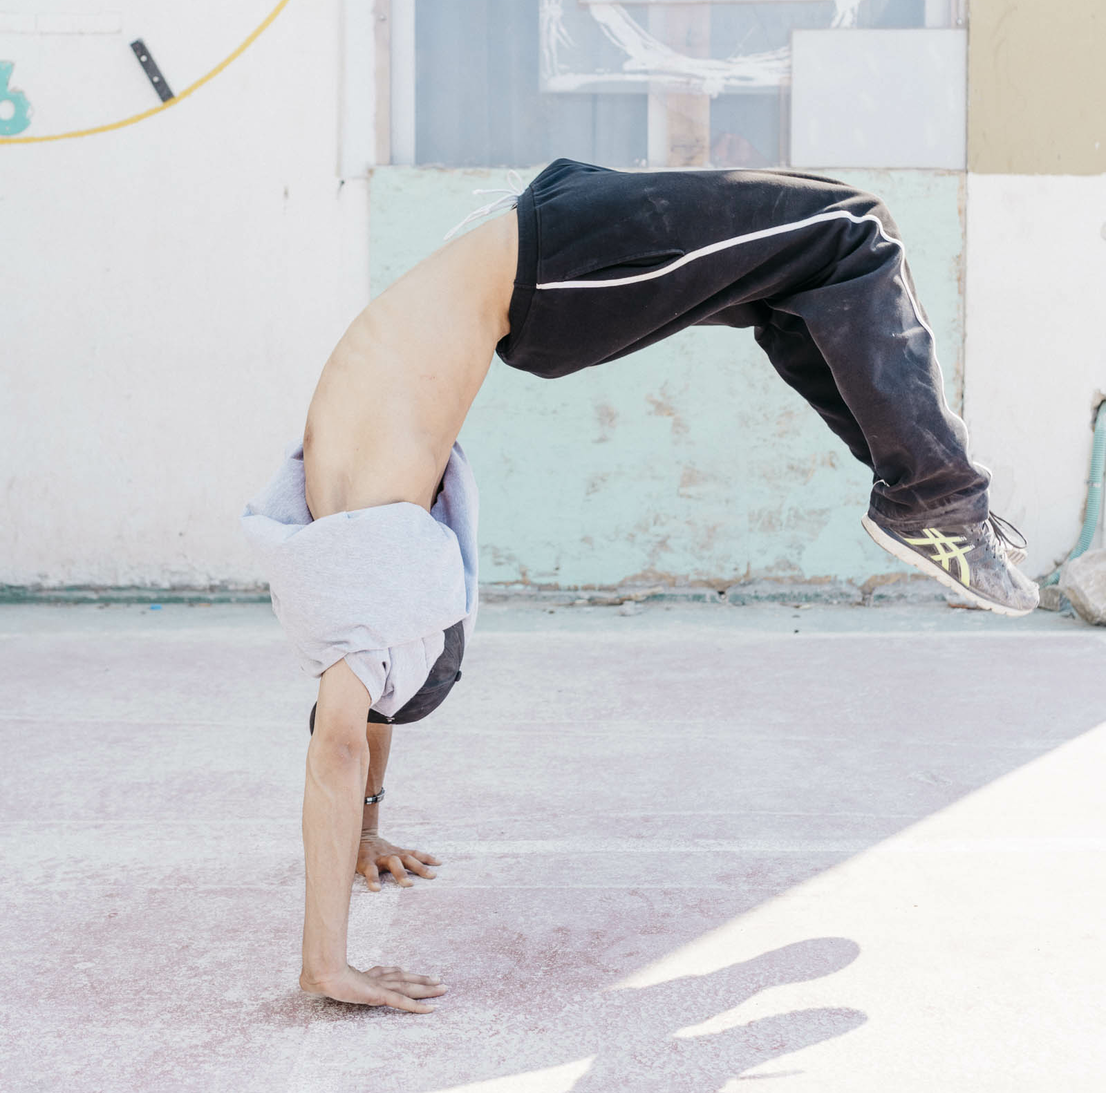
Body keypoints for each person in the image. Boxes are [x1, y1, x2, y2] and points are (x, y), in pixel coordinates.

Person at [242, 158, 1038, 1010]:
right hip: (539, 252)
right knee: (820, 252)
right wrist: (364, 829)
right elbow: (359, 720)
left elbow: (342, 742)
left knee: (845, 236)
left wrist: (328, 964)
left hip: (548, 266)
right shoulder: (339, 560)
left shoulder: (372, 591)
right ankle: (921, 494)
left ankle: (932, 499)